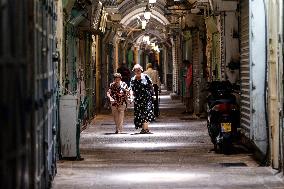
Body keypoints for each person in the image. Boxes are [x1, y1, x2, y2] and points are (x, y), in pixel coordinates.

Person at [129, 64, 155, 134]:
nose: (137, 71)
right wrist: (131, 97)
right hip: (138, 99)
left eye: (139, 70)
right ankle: (144, 128)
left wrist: (153, 94)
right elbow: (131, 89)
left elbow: (151, 86)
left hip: (146, 98)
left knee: (147, 112)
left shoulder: (146, 77)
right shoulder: (133, 79)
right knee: (140, 114)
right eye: (136, 70)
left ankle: (146, 128)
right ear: (134, 71)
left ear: (141, 70)